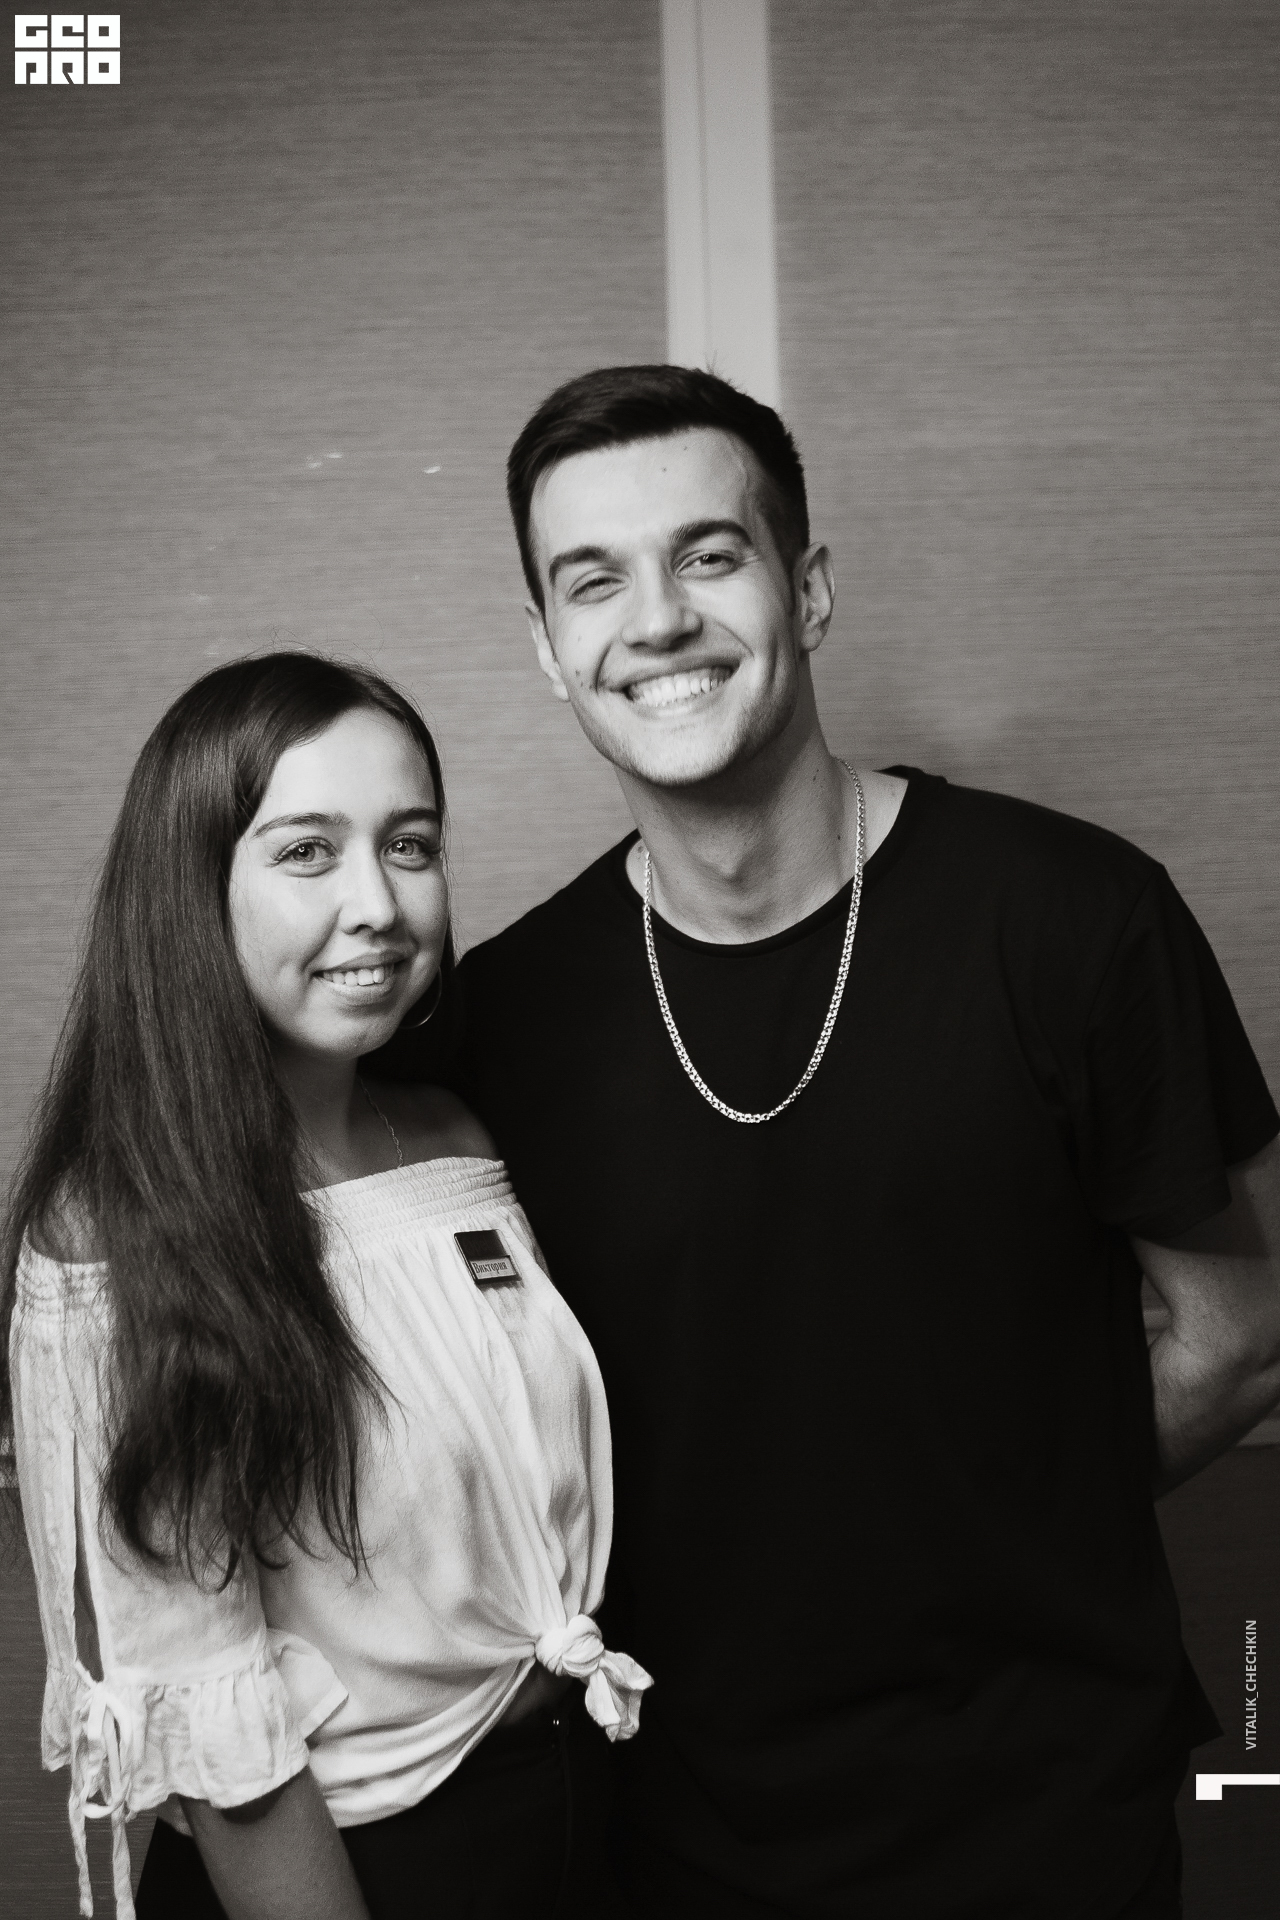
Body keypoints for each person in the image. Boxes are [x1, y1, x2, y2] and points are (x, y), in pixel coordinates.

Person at [378, 365, 1280, 1918]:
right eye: (594, 581)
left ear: (808, 588)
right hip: (671, 1846)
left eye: (709, 555)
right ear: (547, 649)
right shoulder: (502, 1021)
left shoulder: (1075, 920)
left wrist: (1005, 1521)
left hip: (1051, 1823)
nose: (657, 620)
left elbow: (1241, 1336)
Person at [2, 653, 650, 1920]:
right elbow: (208, 1714)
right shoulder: (117, 1231)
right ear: (191, 889)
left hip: (579, 1802)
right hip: (353, 1868)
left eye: (410, 846)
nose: (378, 905)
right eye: (307, 852)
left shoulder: (456, 1139)